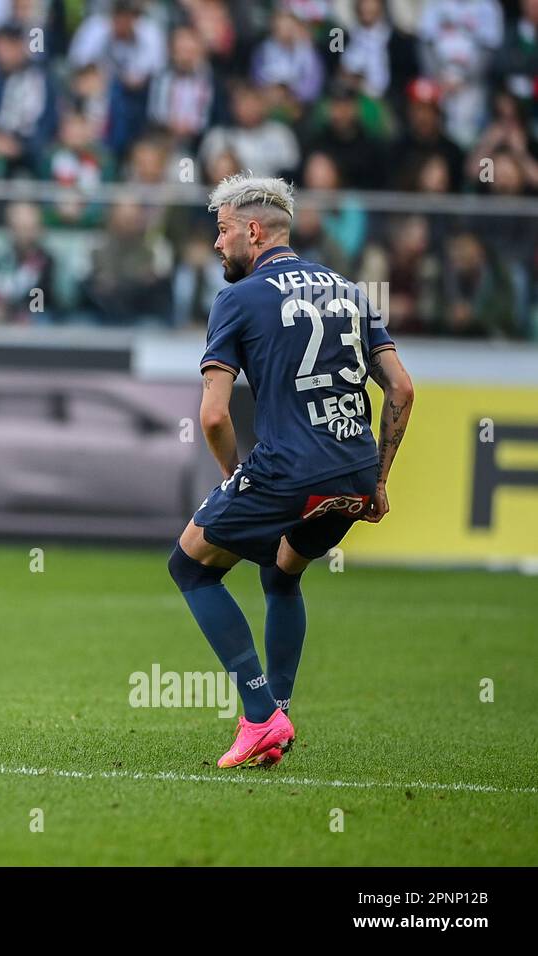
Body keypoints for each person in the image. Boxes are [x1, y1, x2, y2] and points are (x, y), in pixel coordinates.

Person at [168, 174, 415, 769]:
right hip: (354, 472)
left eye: (224, 230)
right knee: (282, 575)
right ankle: (277, 712)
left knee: (191, 566)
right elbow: (402, 389)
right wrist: (377, 482)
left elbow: (214, 415)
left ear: (253, 231)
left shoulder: (238, 297)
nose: (218, 244)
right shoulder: (351, 292)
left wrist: (234, 480)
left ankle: (258, 715)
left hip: (287, 469)